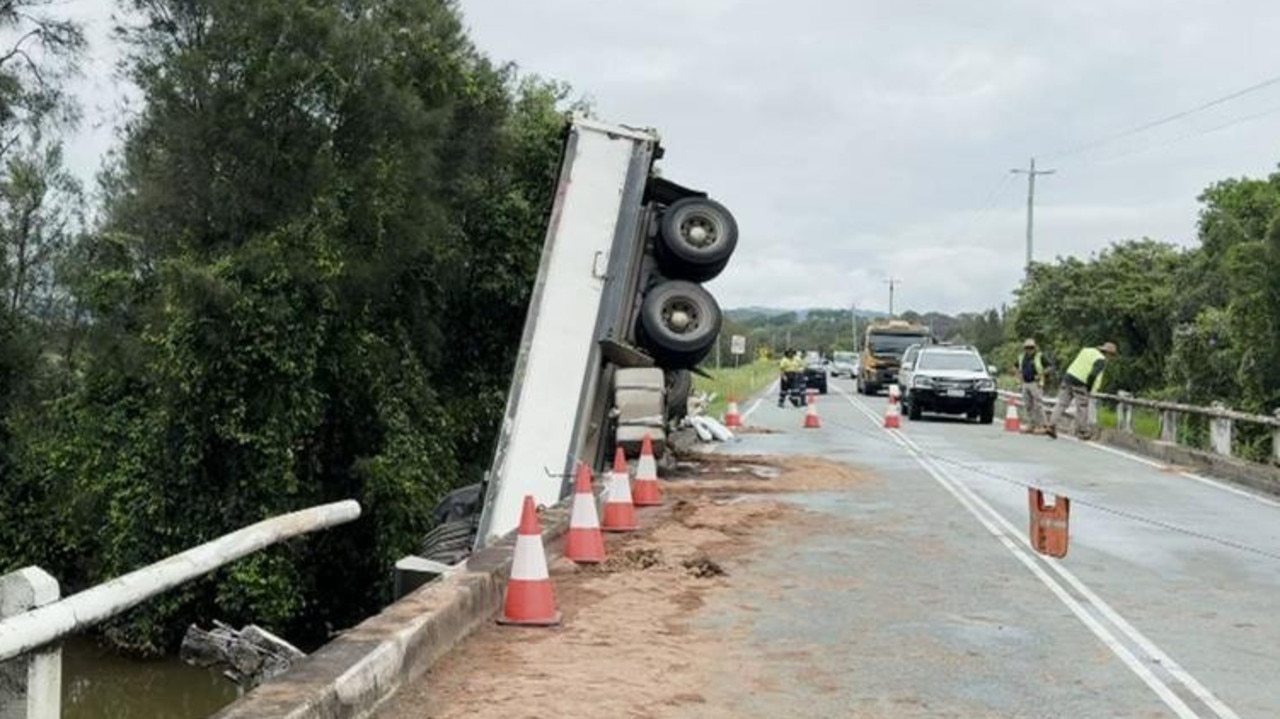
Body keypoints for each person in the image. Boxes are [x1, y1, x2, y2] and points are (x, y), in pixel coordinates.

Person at [1047, 341, 1117, 440]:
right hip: (1080, 382)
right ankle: (1083, 431)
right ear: (1108, 353)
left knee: (1062, 403)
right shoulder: (1101, 360)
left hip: (1068, 377)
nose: (1111, 358)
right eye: (1112, 355)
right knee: (1082, 406)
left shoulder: (1087, 350)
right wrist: (1088, 387)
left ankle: (1051, 425)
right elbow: (1092, 375)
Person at [1017, 338, 1051, 433]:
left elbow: (1050, 367)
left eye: (1031, 348)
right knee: (1028, 405)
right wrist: (1019, 380)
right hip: (1025, 383)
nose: (1029, 350)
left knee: (1038, 406)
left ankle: (1043, 426)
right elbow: (1017, 368)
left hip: (1036, 383)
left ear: (1034, 348)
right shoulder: (1021, 357)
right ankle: (1031, 425)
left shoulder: (1040, 356)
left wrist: (1041, 374)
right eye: (1027, 348)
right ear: (1024, 348)